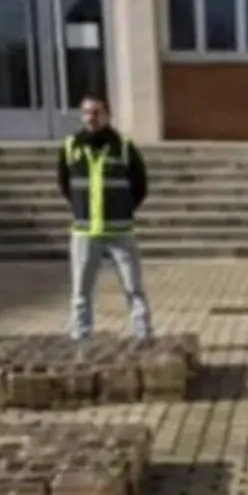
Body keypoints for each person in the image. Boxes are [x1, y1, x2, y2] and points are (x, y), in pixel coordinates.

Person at [57, 94, 151, 340]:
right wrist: (81, 209)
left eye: (97, 112)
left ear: (107, 115)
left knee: (133, 287)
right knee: (81, 289)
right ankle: (81, 332)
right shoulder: (71, 147)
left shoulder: (123, 147)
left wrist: (123, 209)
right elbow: (65, 185)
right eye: (87, 112)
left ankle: (142, 333)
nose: (91, 118)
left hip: (119, 230)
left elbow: (140, 185)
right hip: (85, 232)